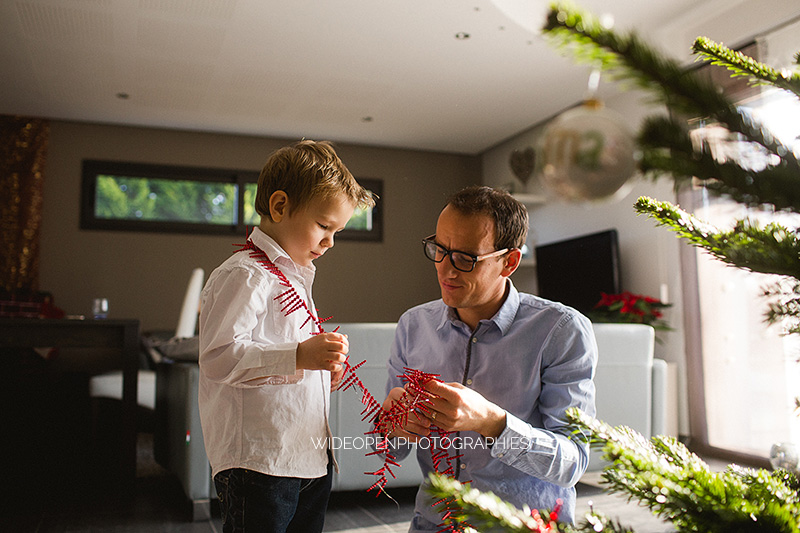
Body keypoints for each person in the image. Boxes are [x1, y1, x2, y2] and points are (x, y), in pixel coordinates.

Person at [380, 185, 597, 530]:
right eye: (439, 249)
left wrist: (493, 423)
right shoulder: (412, 326)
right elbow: (388, 451)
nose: (446, 270)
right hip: (435, 523)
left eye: (465, 258)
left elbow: (573, 464)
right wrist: (393, 426)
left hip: (523, 524)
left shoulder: (561, 331)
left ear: (509, 262)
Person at [198, 140, 374, 532]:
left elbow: (286, 368)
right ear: (279, 207)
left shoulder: (294, 279)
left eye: (337, 231)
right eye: (324, 227)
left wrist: (322, 369)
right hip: (260, 461)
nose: (330, 242)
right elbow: (219, 356)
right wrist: (298, 357)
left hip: (307, 453)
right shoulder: (245, 274)